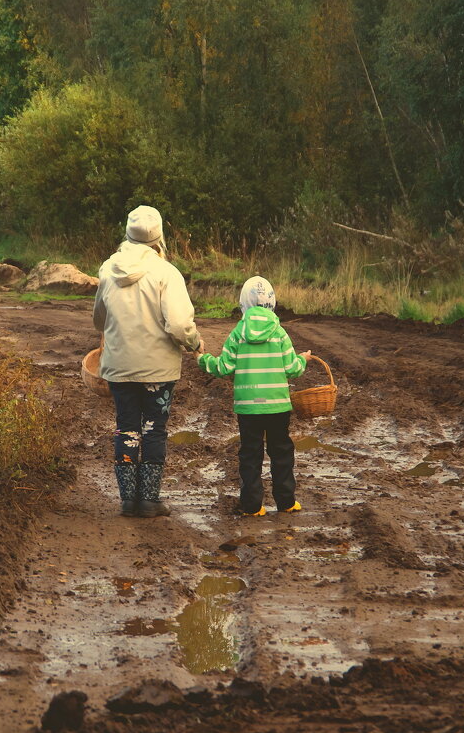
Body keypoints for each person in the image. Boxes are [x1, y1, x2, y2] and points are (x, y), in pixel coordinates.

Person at [93, 205, 203, 518]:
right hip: (158, 368)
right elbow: (179, 325)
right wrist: (195, 343)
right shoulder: (166, 273)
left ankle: (129, 501)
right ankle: (150, 501)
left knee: (127, 428)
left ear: (127, 233)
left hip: (119, 367)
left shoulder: (107, 268)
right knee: (154, 429)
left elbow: (99, 320)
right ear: (159, 238)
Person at [197, 276, 310, 516]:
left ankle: (252, 506)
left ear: (243, 304)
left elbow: (223, 368)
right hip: (278, 406)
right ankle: (286, 502)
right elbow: (293, 369)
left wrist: (202, 358)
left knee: (250, 453)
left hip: (248, 408)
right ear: (272, 303)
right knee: (281, 452)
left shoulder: (238, 333)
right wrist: (304, 359)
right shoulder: (279, 332)